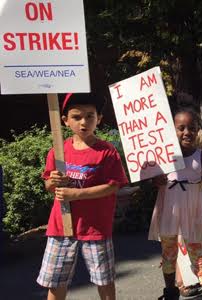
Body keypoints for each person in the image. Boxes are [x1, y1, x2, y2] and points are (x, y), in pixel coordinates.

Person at [36, 93, 128, 300]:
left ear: (99, 119)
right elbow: (49, 185)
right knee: (55, 281)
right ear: (65, 121)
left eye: (90, 116)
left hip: (95, 228)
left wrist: (76, 194)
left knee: (104, 281)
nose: (84, 122)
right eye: (77, 117)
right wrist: (53, 182)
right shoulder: (58, 152)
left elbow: (113, 186)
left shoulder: (106, 151)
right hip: (61, 227)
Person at [148, 107, 202, 300]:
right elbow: (153, 180)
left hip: (192, 213)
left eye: (192, 128)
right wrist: (156, 180)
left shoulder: (201, 156)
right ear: (172, 130)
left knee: (199, 256)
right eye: (181, 128)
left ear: (197, 130)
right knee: (169, 255)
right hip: (169, 211)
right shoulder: (163, 155)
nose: (187, 132)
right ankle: (171, 292)